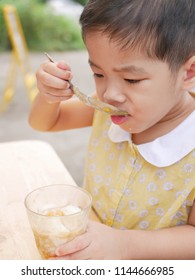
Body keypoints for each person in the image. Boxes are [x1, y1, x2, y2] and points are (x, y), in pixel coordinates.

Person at [29, 0, 195, 259]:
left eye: (132, 80)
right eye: (98, 73)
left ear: (189, 72)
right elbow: (46, 122)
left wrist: (125, 245)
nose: (110, 94)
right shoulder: (107, 109)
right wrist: (49, 97)